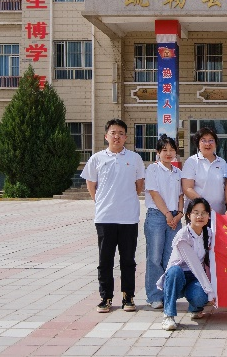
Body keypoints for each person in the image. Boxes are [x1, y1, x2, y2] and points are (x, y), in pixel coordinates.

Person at [81, 118, 145, 313]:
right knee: (105, 260)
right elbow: (91, 184)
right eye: (113, 133)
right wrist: (101, 201)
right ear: (106, 136)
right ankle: (106, 297)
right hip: (105, 217)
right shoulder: (97, 159)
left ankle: (128, 296)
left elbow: (139, 185)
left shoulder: (135, 158)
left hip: (128, 217)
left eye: (121, 133)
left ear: (126, 137)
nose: (117, 136)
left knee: (128, 260)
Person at [159, 198, 215, 331]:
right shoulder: (183, 235)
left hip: (195, 277)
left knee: (200, 297)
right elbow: (194, 264)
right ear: (189, 215)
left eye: (204, 213)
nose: (200, 216)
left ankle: (195, 308)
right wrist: (210, 290)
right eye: (196, 212)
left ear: (208, 216)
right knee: (175, 271)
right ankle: (168, 315)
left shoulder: (209, 233)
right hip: (177, 277)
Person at [144, 135, 184, 310]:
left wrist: (179, 214)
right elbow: (154, 194)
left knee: (171, 257)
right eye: (164, 150)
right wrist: (167, 214)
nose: (168, 153)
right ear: (158, 152)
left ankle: (169, 294)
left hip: (174, 217)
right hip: (157, 216)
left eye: (172, 150)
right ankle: (154, 296)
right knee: (154, 257)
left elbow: (181, 195)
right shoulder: (152, 169)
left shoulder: (178, 172)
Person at [182, 127, 227, 215]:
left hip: (219, 213)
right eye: (203, 140)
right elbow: (187, 188)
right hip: (198, 214)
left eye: (211, 140)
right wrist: (205, 206)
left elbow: (226, 187)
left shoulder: (222, 162)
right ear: (198, 144)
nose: (208, 144)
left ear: (215, 143)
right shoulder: (192, 161)